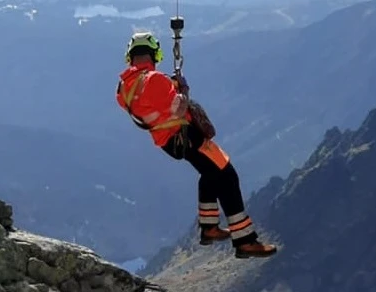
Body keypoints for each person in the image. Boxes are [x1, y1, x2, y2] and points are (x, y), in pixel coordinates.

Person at [116, 31, 277, 258]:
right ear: (154, 54)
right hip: (186, 135)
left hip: (167, 141)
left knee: (210, 174)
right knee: (227, 175)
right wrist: (182, 89)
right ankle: (245, 241)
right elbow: (178, 107)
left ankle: (209, 227)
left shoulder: (124, 89)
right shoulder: (155, 79)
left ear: (130, 56)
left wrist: (170, 85)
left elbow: (152, 103)